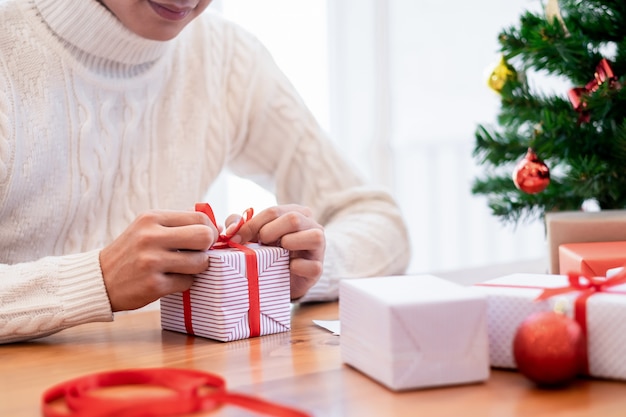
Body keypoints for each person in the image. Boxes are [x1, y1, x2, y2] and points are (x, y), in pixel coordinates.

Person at [0, 0, 411, 344]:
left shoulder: (225, 56)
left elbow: (382, 223)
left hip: (175, 384)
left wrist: (303, 267)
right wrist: (98, 280)